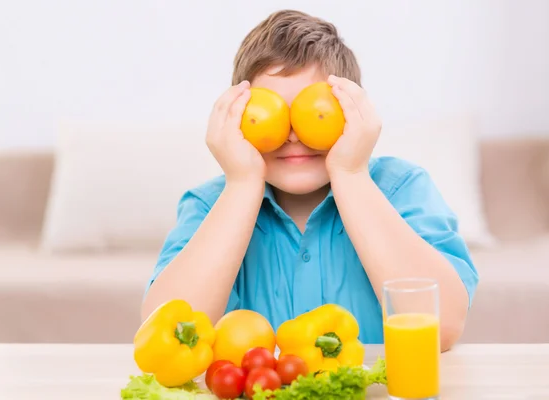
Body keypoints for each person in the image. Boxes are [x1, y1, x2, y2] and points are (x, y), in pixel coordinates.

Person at [141, 9, 478, 351]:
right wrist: (242, 185)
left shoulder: (401, 187)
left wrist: (350, 174)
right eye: (270, 112)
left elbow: (441, 327)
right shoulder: (211, 205)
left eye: (314, 111)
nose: (292, 136)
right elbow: (167, 338)